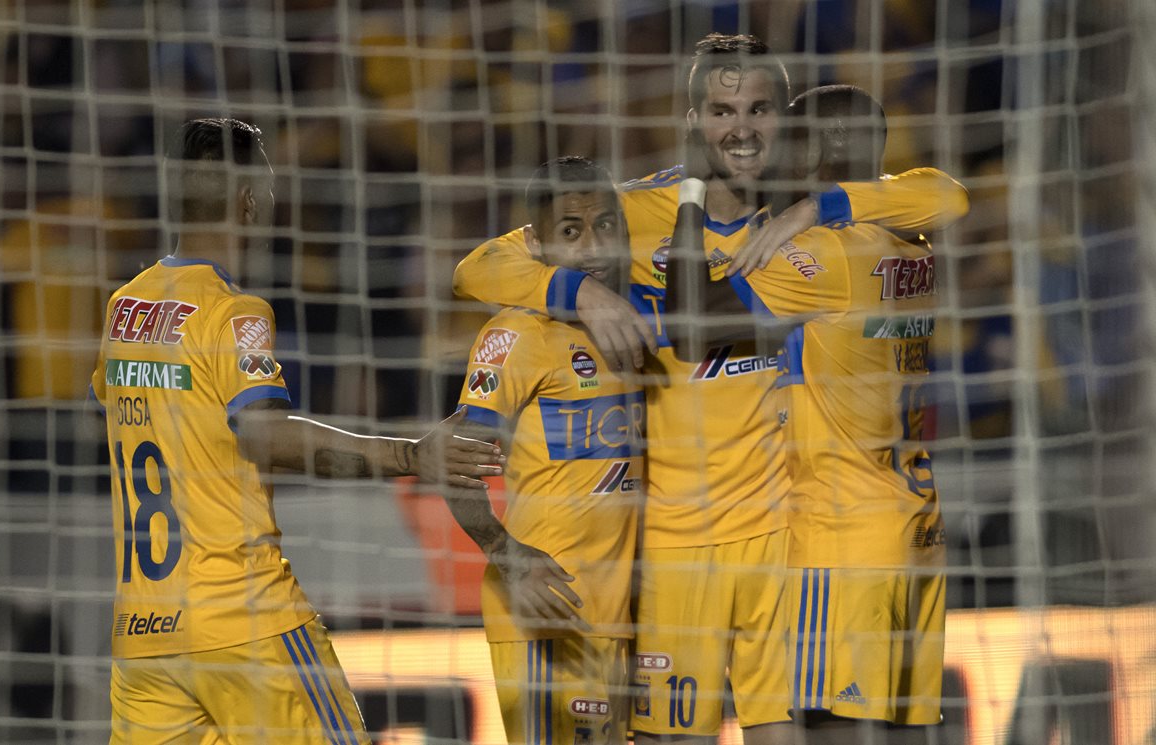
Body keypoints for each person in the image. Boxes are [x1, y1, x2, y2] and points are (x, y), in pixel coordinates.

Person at [452, 35, 967, 745]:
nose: (742, 128)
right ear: (692, 121)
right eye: (722, 110)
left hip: (779, 540)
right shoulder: (632, 212)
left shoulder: (805, 219)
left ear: (787, 121)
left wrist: (820, 206)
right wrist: (580, 293)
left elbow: (944, 192)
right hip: (671, 546)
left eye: (759, 109)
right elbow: (479, 266)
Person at [89, 118, 504, 744]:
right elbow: (266, 437)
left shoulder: (124, 309)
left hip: (148, 637)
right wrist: (412, 454)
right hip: (246, 620)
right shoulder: (234, 313)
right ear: (250, 200)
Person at [673, 85, 946, 744]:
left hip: (837, 540)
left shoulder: (824, 255)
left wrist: (689, 191)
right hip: (914, 530)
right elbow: (947, 189)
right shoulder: (912, 235)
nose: (772, 147)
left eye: (791, 133)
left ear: (827, 144)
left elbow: (690, 320)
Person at [445, 156, 643, 745]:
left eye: (606, 226)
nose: (593, 247)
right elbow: (453, 464)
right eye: (571, 232)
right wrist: (507, 555)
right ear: (534, 243)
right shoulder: (515, 335)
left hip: (619, 617)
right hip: (545, 611)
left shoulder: (637, 320)